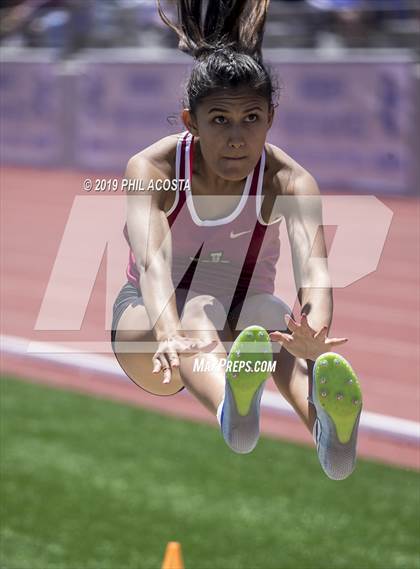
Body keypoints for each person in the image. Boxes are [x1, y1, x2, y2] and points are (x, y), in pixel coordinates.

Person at [111, 0, 362, 480]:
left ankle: (329, 433)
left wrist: (316, 330)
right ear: (191, 122)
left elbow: (315, 270)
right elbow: (153, 263)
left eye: (251, 118)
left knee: (271, 315)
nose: (236, 137)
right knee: (198, 307)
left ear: (271, 117)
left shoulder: (290, 180)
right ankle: (233, 406)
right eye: (220, 120)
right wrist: (166, 330)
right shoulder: (156, 169)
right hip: (151, 327)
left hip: (241, 316)